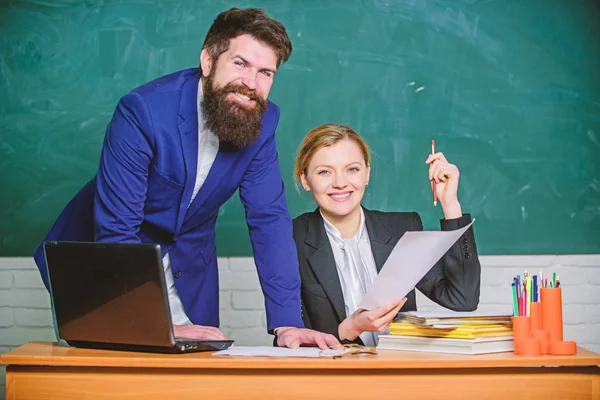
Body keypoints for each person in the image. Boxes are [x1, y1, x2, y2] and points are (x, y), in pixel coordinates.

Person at [33, 8, 341, 350]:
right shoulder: (142, 111)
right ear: (208, 61)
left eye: (265, 72)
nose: (251, 84)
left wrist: (287, 323)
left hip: (189, 271)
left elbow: (268, 218)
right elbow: (117, 229)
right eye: (240, 64)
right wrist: (153, 320)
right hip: (110, 268)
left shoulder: (263, 121)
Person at [292, 124, 481, 346]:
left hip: (399, 372)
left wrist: (450, 204)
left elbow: (463, 298)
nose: (340, 182)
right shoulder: (290, 238)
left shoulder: (401, 229)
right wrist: (350, 328)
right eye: (325, 171)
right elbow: (288, 341)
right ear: (305, 180)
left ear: (367, 174)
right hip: (330, 376)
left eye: (352, 169)